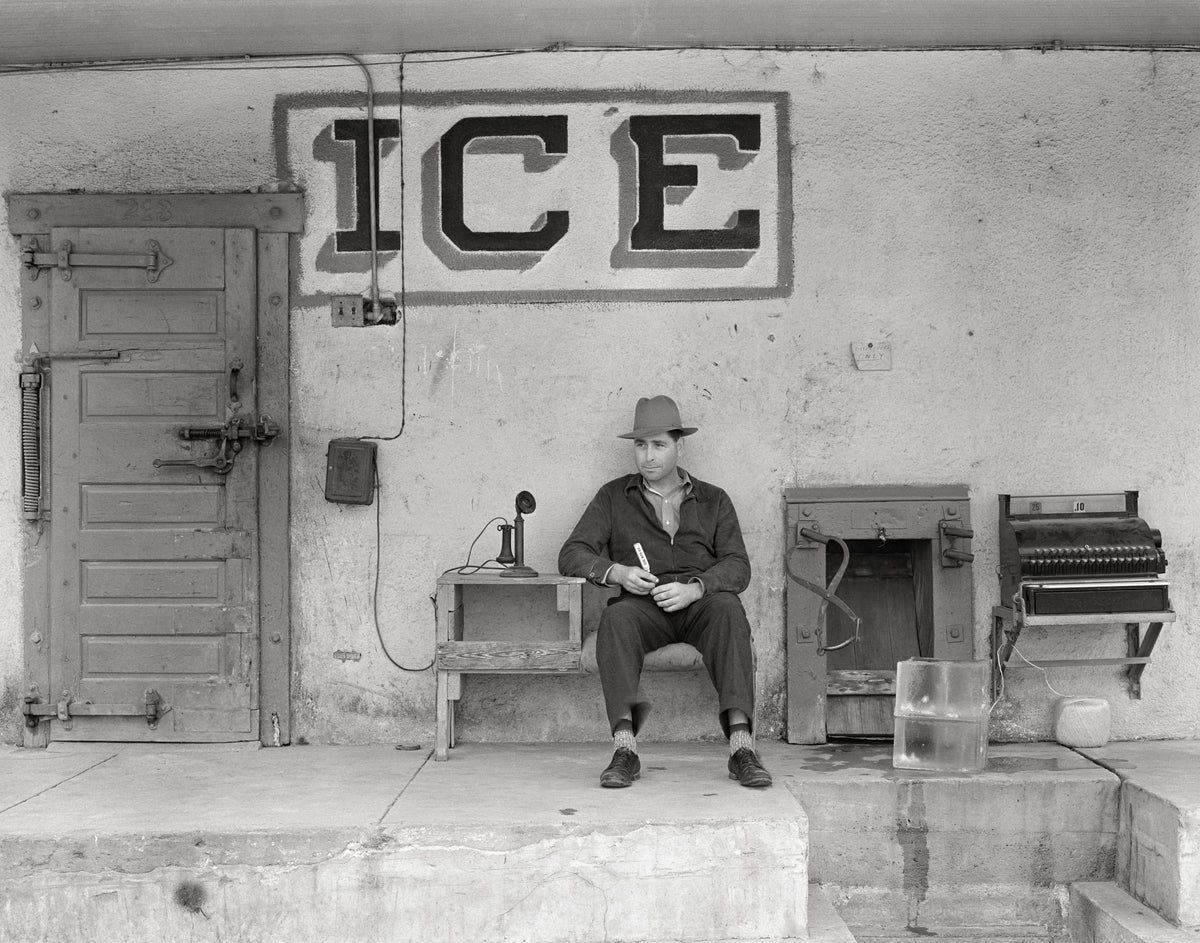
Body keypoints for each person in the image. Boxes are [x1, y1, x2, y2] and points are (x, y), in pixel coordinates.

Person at [558, 395, 772, 789]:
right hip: (643, 607)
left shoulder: (714, 499)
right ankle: (625, 749)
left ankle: (741, 747)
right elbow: (572, 554)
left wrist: (696, 588)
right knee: (616, 617)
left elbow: (738, 566)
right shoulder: (613, 496)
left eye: (659, 445)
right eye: (641, 445)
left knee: (728, 610)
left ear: (679, 445)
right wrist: (617, 572)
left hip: (700, 605)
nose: (648, 456)